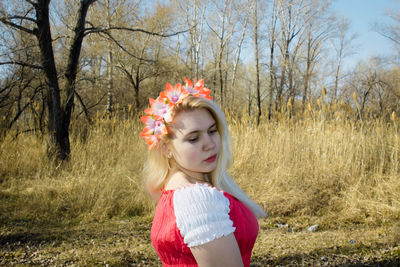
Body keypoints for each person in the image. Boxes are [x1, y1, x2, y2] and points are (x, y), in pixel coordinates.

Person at [140, 78, 267, 267]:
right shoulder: (197, 199)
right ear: (166, 148)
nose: (210, 144)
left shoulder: (179, 189)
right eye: (193, 139)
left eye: (213, 131)